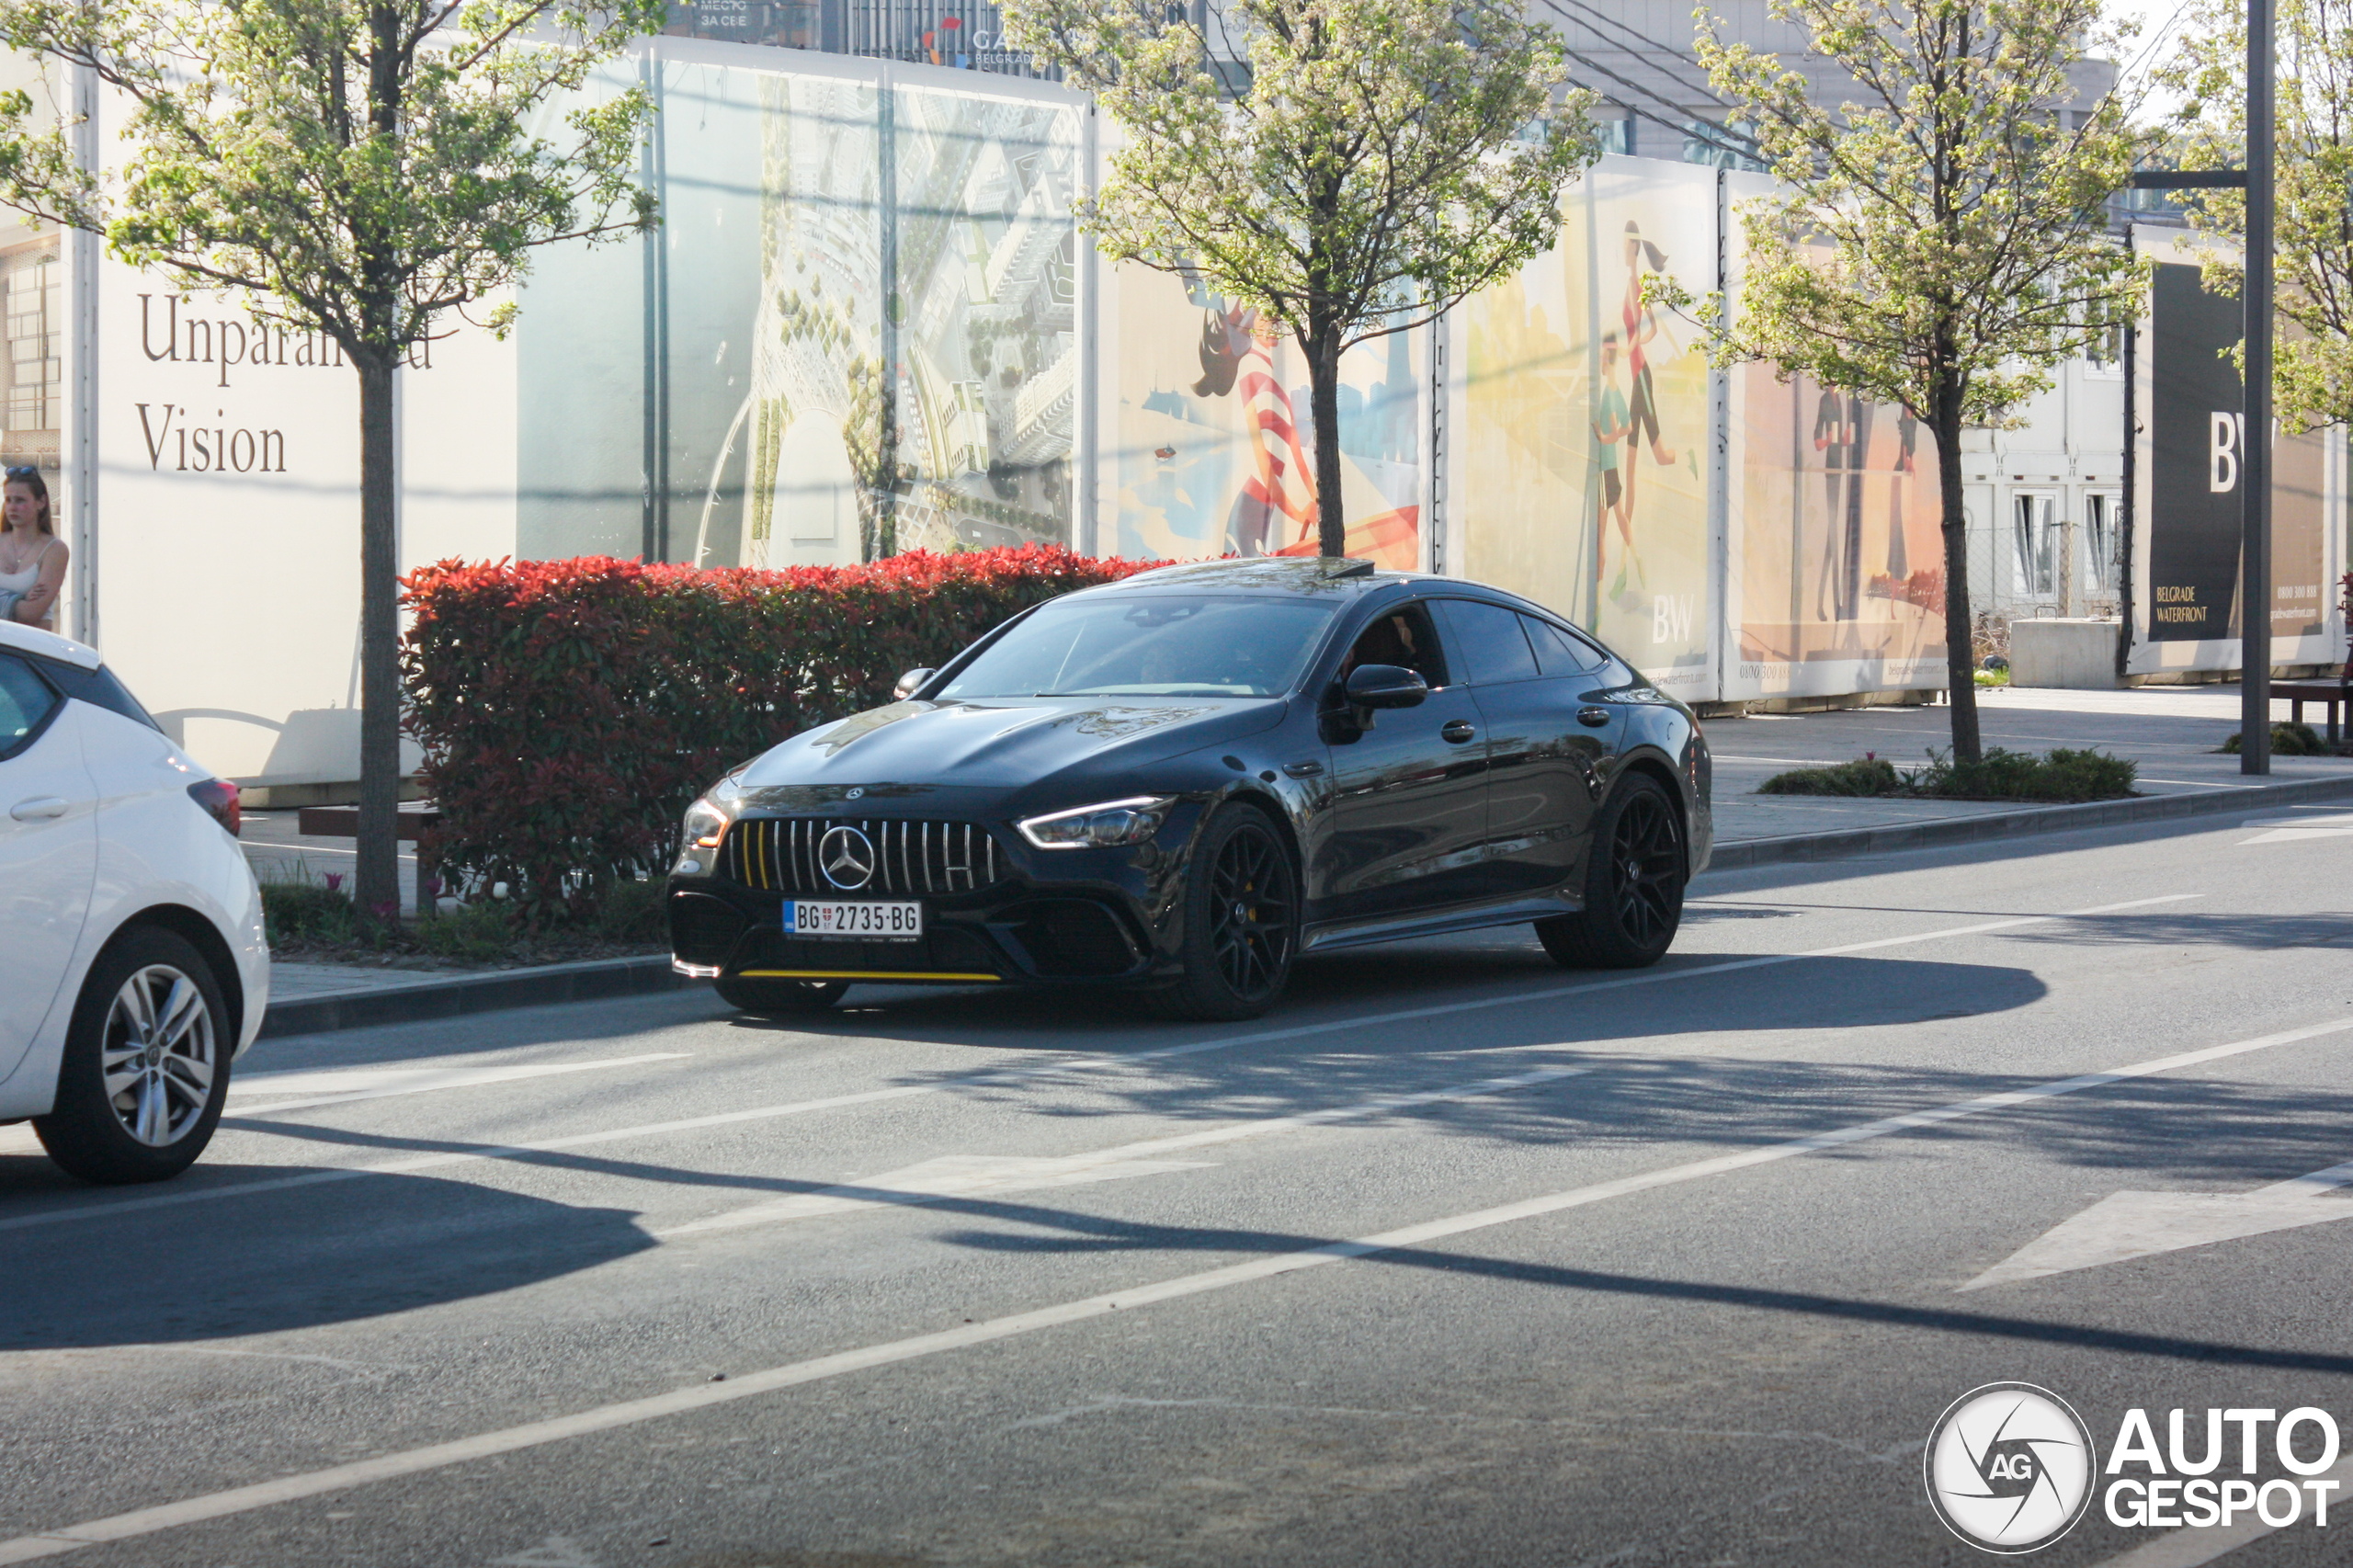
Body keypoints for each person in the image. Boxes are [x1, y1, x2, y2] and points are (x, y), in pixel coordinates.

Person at [1593, 334, 1636, 599]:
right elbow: (1628, 427)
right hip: (1613, 468)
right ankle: (1636, 562)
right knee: (1620, 519)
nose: (1598, 362)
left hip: (1604, 468)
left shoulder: (1608, 394)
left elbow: (1612, 434)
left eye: (1599, 357)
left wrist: (1601, 434)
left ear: (1606, 359)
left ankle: (1596, 591)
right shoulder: (1615, 389)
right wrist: (1612, 434)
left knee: (1600, 533)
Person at [0, 465, 64, 631]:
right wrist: (21, 600)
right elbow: (25, 610)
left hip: (29, 651)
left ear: (41, 502)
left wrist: (9, 601)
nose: (12, 507)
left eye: (20, 500)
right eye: (8, 500)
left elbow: (32, 613)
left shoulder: (55, 550)